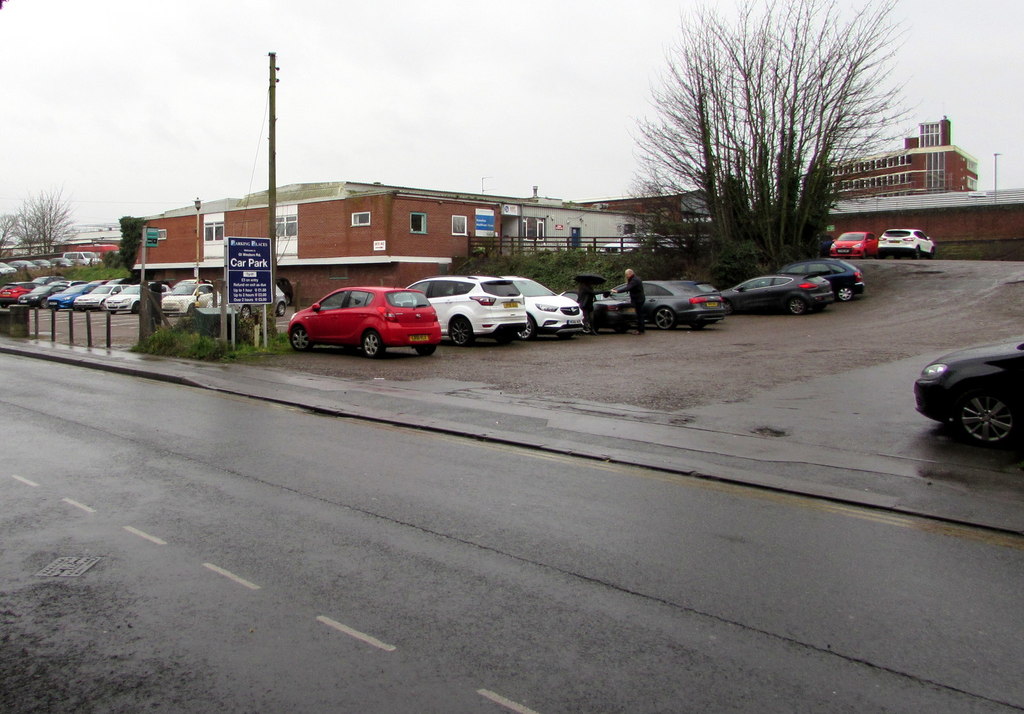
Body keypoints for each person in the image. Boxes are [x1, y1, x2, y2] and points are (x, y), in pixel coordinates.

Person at [612, 268, 645, 334]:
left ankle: (640, 330)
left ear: (630, 274)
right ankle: (641, 329)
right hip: (639, 298)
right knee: (639, 314)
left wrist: (617, 291)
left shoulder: (634, 280)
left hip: (638, 299)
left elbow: (628, 288)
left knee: (639, 315)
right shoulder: (635, 279)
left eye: (626, 274)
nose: (626, 276)